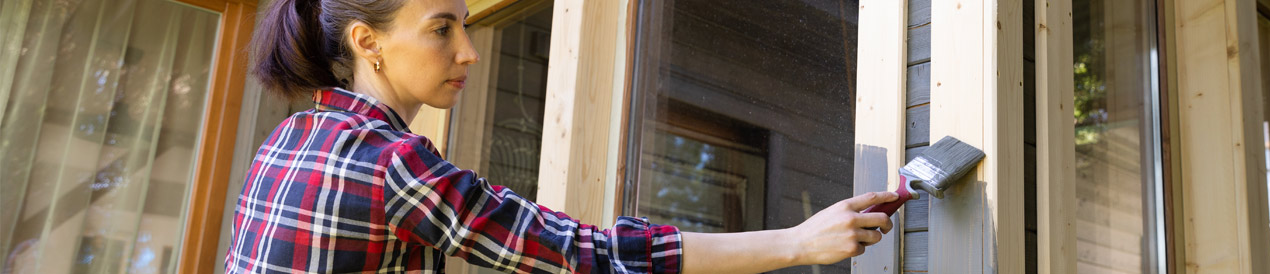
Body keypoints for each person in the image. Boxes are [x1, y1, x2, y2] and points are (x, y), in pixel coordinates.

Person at [223, 0, 899, 272]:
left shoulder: (291, 139)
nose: (469, 51)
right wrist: (795, 243)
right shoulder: (391, 162)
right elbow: (587, 255)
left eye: (465, 25)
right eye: (441, 28)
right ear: (368, 42)